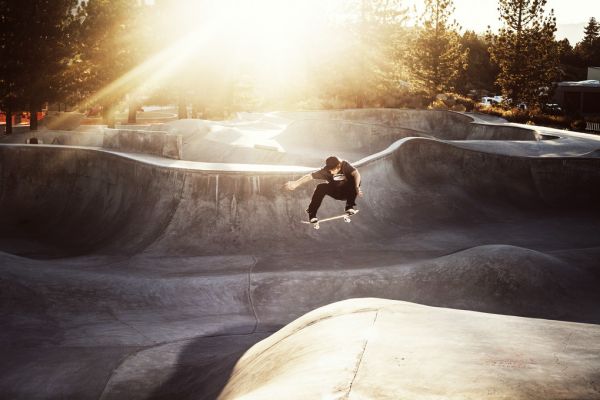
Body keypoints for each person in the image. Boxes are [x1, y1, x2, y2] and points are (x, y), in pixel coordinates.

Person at [284, 156, 362, 224]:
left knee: (353, 181)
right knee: (321, 187)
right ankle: (312, 213)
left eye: (333, 170)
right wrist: (296, 183)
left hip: (348, 193)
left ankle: (349, 206)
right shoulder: (325, 171)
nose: (331, 172)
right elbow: (309, 176)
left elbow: (356, 174)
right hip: (337, 192)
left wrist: (357, 187)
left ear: (338, 166)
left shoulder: (345, 165)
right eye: (329, 170)